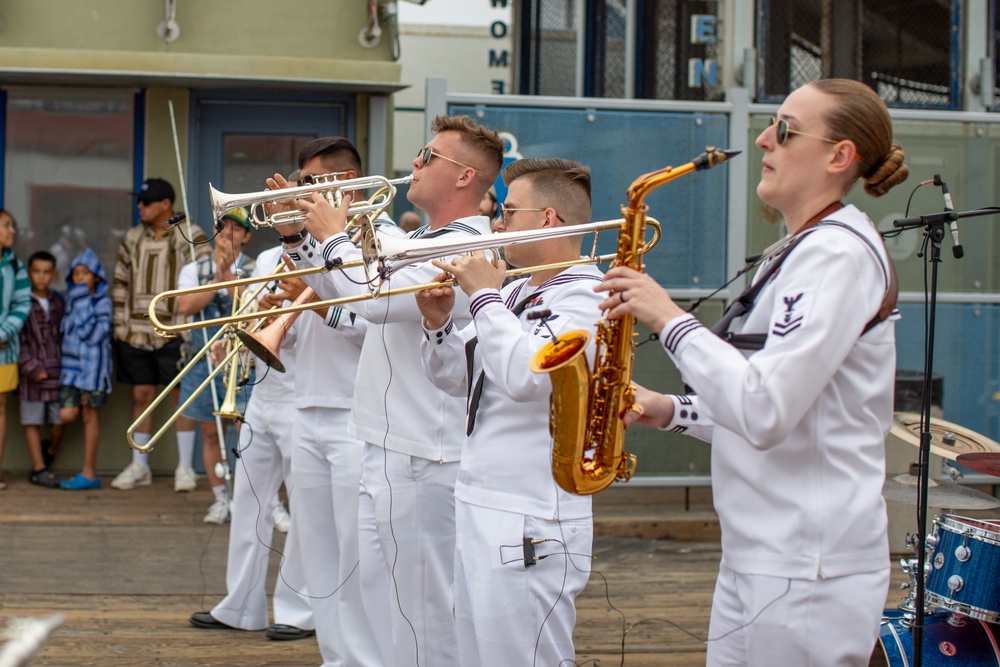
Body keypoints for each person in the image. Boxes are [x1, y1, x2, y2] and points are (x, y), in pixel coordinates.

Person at [596, 78, 908, 667]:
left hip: (806, 565)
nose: (765, 138)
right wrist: (667, 410)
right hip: (762, 555)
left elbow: (765, 411)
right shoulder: (798, 249)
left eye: (786, 129)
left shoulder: (836, 254)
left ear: (840, 156)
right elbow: (769, 405)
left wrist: (666, 318)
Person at [274, 116, 504, 666]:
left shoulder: (469, 246)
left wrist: (331, 234)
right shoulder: (420, 237)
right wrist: (296, 237)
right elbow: (341, 290)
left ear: (465, 176)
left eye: (429, 157)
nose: (415, 165)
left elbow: (376, 303)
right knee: (383, 605)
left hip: (426, 452)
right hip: (383, 444)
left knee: (427, 615)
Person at [416, 157, 599, 666]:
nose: (497, 225)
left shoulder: (588, 296)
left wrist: (482, 298)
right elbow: (458, 378)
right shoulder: (516, 289)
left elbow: (524, 377)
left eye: (508, 212)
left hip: (531, 510)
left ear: (547, 219)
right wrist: (437, 326)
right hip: (481, 497)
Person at [188, 241, 314, 642]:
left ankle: (299, 610)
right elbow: (250, 310)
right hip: (263, 392)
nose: (277, 210)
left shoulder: (327, 252)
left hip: (304, 394)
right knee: (248, 500)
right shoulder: (264, 259)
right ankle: (241, 604)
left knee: (305, 508)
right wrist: (238, 333)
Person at [110, 178, 211, 491]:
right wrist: (119, 323)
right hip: (135, 331)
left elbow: (203, 282)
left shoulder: (190, 235)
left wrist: (190, 328)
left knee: (179, 397)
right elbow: (121, 280)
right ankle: (140, 466)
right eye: (140, 201)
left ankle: (184, 467)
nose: (140, 207)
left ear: (166, 204)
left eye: (146, 201)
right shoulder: (132, 237)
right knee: (141, 395)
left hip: (175, 331)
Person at [174, 208, 255, 523]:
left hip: (243, 361)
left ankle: (257, 498)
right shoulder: (194, 269)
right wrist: (216, 278)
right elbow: (186, 306)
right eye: (223, 227)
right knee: (210, 432)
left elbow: (249, 308)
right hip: (204, 357)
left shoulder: (254, 267)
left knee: (249, 431)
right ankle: (221, 498)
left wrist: (228, 278)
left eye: (236, 229)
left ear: (247, 236)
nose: (227, 234)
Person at [58, 248, 114, 490]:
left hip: (93, 373)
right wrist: (77, 300)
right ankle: (50, 449)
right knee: (66, 414)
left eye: (86, 273)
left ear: (97, 277)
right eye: (76, 273)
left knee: (90, 417)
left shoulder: (103, 303)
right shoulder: (69, 301)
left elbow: (90, 334)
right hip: (70, 371)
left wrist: (81, 300)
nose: (80, 277)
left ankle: (89, 473)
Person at [19, 251, 67, 488]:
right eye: (36, 272)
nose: (41, 277)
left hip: (58, 372)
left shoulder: (59, 301)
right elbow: (20, 340)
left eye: (46, 272)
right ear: (29, 273)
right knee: (32, 420)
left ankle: (49, 451)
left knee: (61, 419)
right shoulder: (22, 302)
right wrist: (31, 367)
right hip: (32, 375)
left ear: (54, 275)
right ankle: (39, 468)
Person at [0, 209, 32, 491]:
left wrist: (3, 332)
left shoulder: (14, 266)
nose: (12, 231)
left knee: (0, 409)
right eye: (6, 225)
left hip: (3, 350)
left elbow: (22, 303)